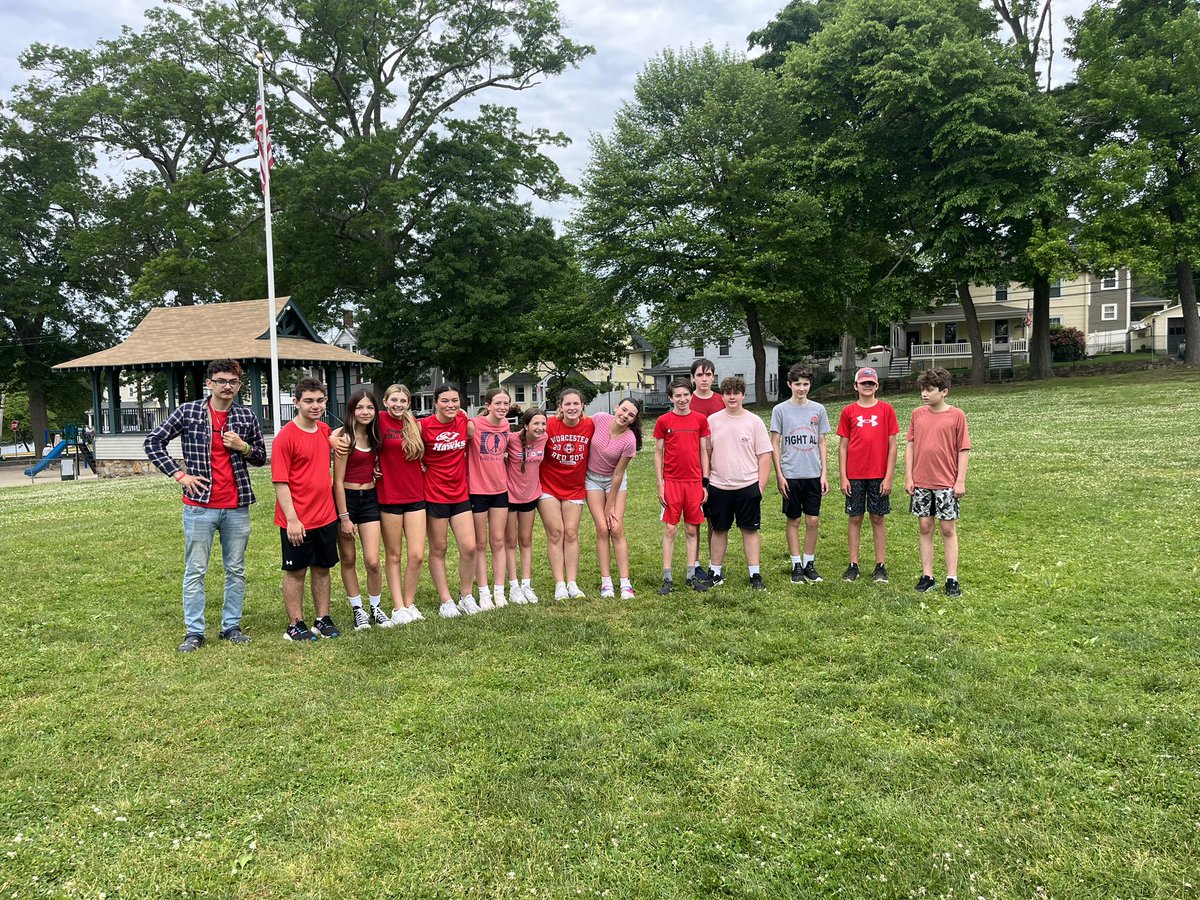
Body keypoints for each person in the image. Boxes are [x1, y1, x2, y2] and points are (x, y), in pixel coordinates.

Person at [144, 359, 266, 652]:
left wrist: (243, 447)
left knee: (235, 569)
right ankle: (195, 632)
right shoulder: (189, 412)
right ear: (209, 383)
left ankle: (231, 626)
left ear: (239, 385)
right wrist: (179, 474)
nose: (228, 387)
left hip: (236, 505)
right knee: (196, 570)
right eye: (221, 381)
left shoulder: (245, 417)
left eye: (233, 382)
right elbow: (153, 442)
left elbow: (261, 457)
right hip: (199, 505)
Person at [273, 377, 341, 642]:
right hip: (297, 520)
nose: (315, 406)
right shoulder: (285, 438)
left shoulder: (325, 431)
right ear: (296, 403)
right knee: (296, 571)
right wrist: (292, 519)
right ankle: (295, 623)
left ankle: (322, 619)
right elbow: (280, 481)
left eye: (320, 401)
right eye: (309, 401)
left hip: (325, 515)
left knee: (323, 568)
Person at [904, 366, 971, 597]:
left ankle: (951, 578)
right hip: (922, 482)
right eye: (922, 389)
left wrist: (960, 481)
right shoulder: (917, 415)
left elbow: (963, 450)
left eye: (929, 390)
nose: (924, 394)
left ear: (944, 392)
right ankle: (927, 576)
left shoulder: (957, 416)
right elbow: (910, 446)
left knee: (947, 528)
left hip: (947, 483)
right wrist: (909, 476)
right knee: (925, 526)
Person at [705, 376, 772, 591]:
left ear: (743, 395)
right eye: (727, 393)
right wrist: (706, 482)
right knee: (718, 530)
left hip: (747, 486)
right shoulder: (712, 421)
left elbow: (764, 455)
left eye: (736, 392)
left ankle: (755, 574)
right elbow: (706, 453)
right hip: (719, 486)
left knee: (750, 531)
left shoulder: (754, 421)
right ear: (722, 396)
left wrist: (760, 486)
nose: (732, 397)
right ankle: (715, 572)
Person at [330, 388, 388, 631]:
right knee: (349, 558)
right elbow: (338, 482)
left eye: (370, 407)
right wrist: (344, 517)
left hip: (371, 498)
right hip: (347, 500)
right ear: (352, 410)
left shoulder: (375, 436)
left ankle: (375, 607)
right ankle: (358, 609)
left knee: (373, 560)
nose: (365, 412)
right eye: (360, 407)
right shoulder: (343, 438)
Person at [836, 367, 899, 583]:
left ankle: (880, 565)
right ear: (856, 386)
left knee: (878, 517)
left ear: (877, 386)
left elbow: (892, 445)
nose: (867, 386)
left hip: (878, 474)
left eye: (871, 383)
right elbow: (843, 446)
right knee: (855, 517)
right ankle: (853, 564)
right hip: (854, 474)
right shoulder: (848, 412)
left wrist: (888, 476)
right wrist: (843, 476)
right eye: (863, 383)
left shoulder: (886, 410)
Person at [421, 382, 479, 617]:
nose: (450, 405)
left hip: (460, 493)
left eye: (454, 400)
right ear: (435, 403)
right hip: (434, 494)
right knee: (439, 548)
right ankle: (446, 600)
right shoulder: (423, 426)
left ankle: (466, 596)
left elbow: (478, 429)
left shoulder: (464, 422)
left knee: (470, 547)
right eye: (445, 400)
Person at [770, 364, 830, 584]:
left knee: (813, 520)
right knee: (793, 519)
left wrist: (824, 473)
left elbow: (822, 442)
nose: (802, 388)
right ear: (789, 385)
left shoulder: (818, 409)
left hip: (813, 474)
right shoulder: (780, 410)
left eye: (805, 384)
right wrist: (779, 474)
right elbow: (775, 442)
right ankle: (796, 564)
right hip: (791, 475)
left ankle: (809, 563)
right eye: (797, 384)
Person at [654, 377, 711, 595]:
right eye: (677, 396)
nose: (682, 399)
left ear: (691, 396)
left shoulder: (699, 420)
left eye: (686, 395)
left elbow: (704, 451)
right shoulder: (663, 421)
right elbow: (658, 454)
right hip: (672, 483)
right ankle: (667, 577)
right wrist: (661, 484)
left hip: (694, 483)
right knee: (670, 529)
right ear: (671, 398)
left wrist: (704, 483)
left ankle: (690, 575)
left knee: (691, 528)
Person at [376, 385, 426, 624]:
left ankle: (409, 602)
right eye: (393, 400)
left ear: (408, 403)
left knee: (416, 555)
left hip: (416, 495)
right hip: (389, 496)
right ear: (385, 401)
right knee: (394, 555)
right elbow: (347, 430)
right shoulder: (377, 420)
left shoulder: (414, 424)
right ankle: (398, 607)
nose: (398, 404)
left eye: (403, 400)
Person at [539, 388, 595, 600]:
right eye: (567, 404)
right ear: (560, 407)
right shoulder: (550, 425)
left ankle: (572, 582)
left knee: (571, 533)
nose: (572, 408)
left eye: (576, 404)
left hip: (574, 487)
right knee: (556, 533)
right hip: (548, 486)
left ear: (582, 407)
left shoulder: (590, 425)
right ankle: (559, 584)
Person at [585, 398, 642, 599]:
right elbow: (579, 426)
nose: (625, 415)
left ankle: (625, 583)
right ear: (617, 407)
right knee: (602, 528)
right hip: (592, 479)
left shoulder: (629, 440)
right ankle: (606, 582)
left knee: (616, 529)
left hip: (614, 482)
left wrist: (610, 505)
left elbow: (618, 474)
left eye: (630, 415)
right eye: (624, 410)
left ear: (633, 420)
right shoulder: (600, 419)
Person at [468, 389, 512, 610]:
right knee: (480, 543)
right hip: (477, 491)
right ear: (488, 405)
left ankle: (499, 590)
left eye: (506, 403)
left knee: (498, 541)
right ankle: (484, 592)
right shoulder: (474, 425)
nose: (502, 407)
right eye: (498, 403)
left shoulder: (505, 425)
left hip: (500, 490)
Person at [506, 408, 548, 604]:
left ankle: (526, 584)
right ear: (525, 425)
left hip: (531, 496)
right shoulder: (511, 439)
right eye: (536, 424)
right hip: (508, 497)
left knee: (526, 540)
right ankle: (513, 585)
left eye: (543, 423)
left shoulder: (545, 437)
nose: (540, 428)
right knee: (510, 541)